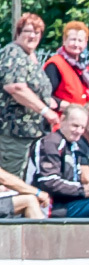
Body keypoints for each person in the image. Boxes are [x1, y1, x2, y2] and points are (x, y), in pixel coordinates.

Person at [26, 105, 89, 218]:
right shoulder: (50, 143)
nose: (78, 131)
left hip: (66, 202)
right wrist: (82, 190)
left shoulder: (73, 146)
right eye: (75, 126)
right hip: (47, 206)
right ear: (62, 120)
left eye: (82, 127)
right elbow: (48, 181)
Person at [0, 13, 58, 178]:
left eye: (37, 32)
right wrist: (45, 110)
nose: (32, 36)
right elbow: (16, 88)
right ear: (18, 32)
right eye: (28, 31)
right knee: (11, 182)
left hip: (32, 134)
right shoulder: (13, 53)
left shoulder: (30, 57)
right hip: (14, 134)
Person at [43, 21, 89, 112]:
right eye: (73, 40)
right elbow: (44, 96)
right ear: (64, 40)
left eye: (80, 40)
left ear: (85, 43)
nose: (76, 44)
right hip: (61, 121)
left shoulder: (84, 68)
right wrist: (64, 106)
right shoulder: (55, 64)